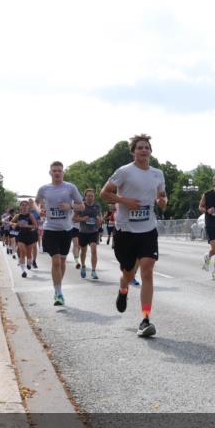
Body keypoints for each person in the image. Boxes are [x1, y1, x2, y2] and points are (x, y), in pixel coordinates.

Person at [100, 134, 168, 337]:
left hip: (148, 230)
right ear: (133, 152)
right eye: (140, 147)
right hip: (126, 231)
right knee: (129, 274)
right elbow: (104, 193)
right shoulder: (124, 172)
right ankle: (123, 288)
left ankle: (145, 319)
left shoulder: (157, 174)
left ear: (150, 151)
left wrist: (162, 201)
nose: (144, 150)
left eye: (147, 147)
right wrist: (125, 201)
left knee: (147, 271)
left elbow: (162, 196)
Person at [36, 161, 85, 306]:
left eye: (59, 171)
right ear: (50, 173)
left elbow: (82, 206)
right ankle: (58, 293)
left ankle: (58, 287)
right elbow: (36, 202)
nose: (57, 173)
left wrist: (70, 206)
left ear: (63, 173)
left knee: (62, 262)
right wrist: (40, 210)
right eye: (54, 171)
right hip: (50, 229)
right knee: (56, 261)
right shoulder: (44, 189)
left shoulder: (70, 187)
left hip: (66, 230)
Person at [75, 189, 103, 280]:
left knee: (94, 250)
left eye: (92, 196)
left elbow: (100, 217)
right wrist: (82, 219)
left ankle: (93, 271)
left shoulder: (97, 206)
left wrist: (99, 221)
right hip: (83, 232)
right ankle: (83, 266)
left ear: (94, 197)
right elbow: (74, 218)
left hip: (94, 232)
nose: (90, 197)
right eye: (88, 196)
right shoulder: (81, 206)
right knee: (83, 251)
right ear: (85, 197)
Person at [14, 201, 39, 278]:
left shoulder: (30, 215)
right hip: (21, 235)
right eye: (23, 205)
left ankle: (29, 263)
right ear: (20, 207)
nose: (24, 206)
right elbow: (11, 223)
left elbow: (35, 226)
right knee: (22, 252)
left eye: (26, 205)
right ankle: (23, 271)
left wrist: (27, 225)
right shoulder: (17, 216)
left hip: (29, 235)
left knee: (28, 253)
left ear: (28, 207)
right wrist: (15, 225)